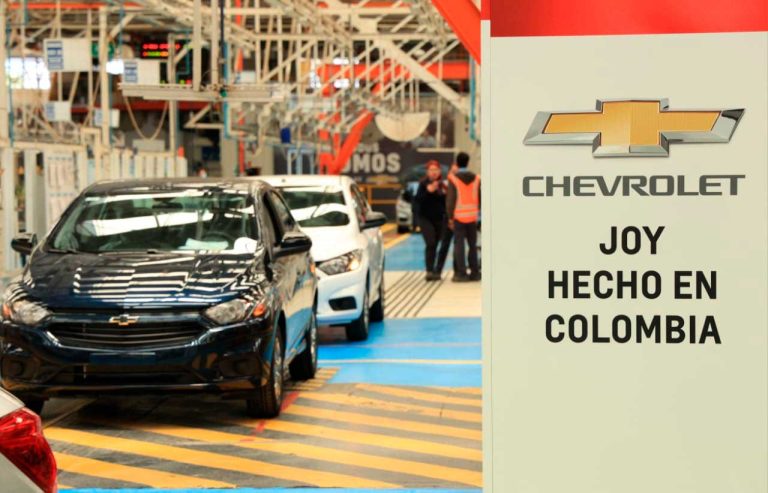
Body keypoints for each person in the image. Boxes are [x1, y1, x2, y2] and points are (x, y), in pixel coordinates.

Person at [447, 152, 480, 282]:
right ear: (468, 162)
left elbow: (450, 200)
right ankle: (475, 272)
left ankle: (461, 274)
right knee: (473, 245)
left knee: (459, 245)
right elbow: (480, 197)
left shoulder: (453, 179)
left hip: (458, 217)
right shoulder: (476, 178)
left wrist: (450, 217)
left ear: (457, 163)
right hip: (473, 216)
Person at [415, 161, 448, 281]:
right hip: (425, 218)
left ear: (439, 171)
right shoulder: (423, 184)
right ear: (427, 172)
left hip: (439, 218)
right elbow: (418, 201)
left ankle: (436, 270)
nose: (433, 172)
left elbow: (446, 203)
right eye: (431, 170)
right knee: (431, 242)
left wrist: (443, 194)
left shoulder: (443, 185)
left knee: (437, 243)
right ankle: (429, 270)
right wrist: (428, 192)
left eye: (436, 170)